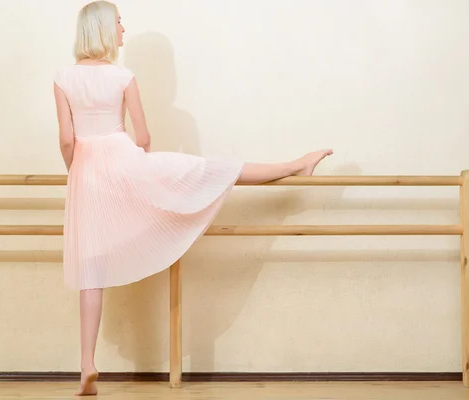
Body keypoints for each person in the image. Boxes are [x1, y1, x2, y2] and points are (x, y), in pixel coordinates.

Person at [53, 1, 333, 396]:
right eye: (117, 21)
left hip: (86, 174)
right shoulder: (122, 76)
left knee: (91, 272)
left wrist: (77, 171)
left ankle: (86, 366)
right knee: (210, 170)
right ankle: (293, 165)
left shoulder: (63, 78)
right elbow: (144, 137)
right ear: (102, 29)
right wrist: (140, 175)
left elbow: (67, 139)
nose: (122, 27)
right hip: (126, 163)